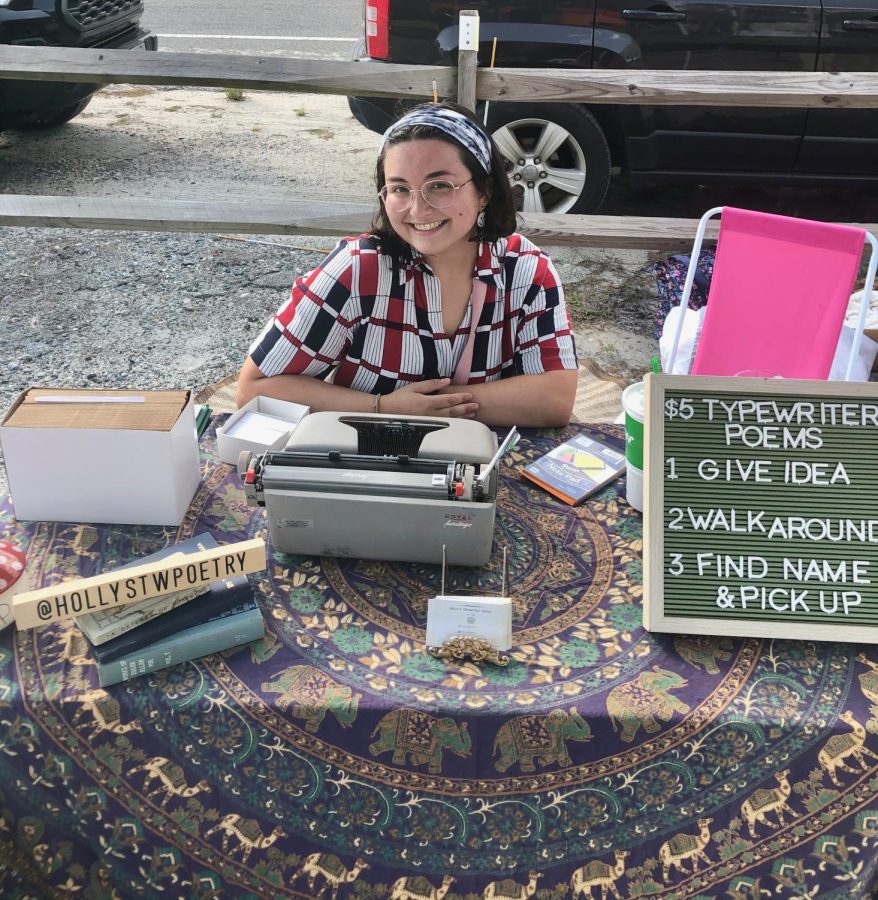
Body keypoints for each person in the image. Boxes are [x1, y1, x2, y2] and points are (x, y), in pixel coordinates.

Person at [237, 102, 578, 427]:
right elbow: (255, 389)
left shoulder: (527, 271)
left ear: (484, 191)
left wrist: (426, 408)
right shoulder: (356, 270)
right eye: (400, 188)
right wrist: (384, 408)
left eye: (440, 186)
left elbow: (555, 398)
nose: (418, 209)